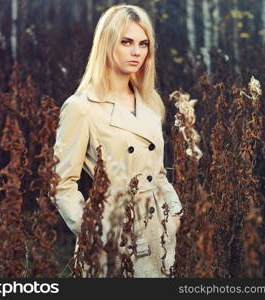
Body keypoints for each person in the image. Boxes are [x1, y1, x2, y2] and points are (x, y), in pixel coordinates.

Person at [53, 4, 183, 278]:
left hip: (157, 229)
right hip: (110, 234)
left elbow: (157, 173)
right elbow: (61, 185)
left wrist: (174, 212)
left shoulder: (150, 103)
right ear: (107, 44)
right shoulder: (81, 107)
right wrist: (95, 231)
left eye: (143, 43)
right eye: (126, 42)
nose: (137, 52)